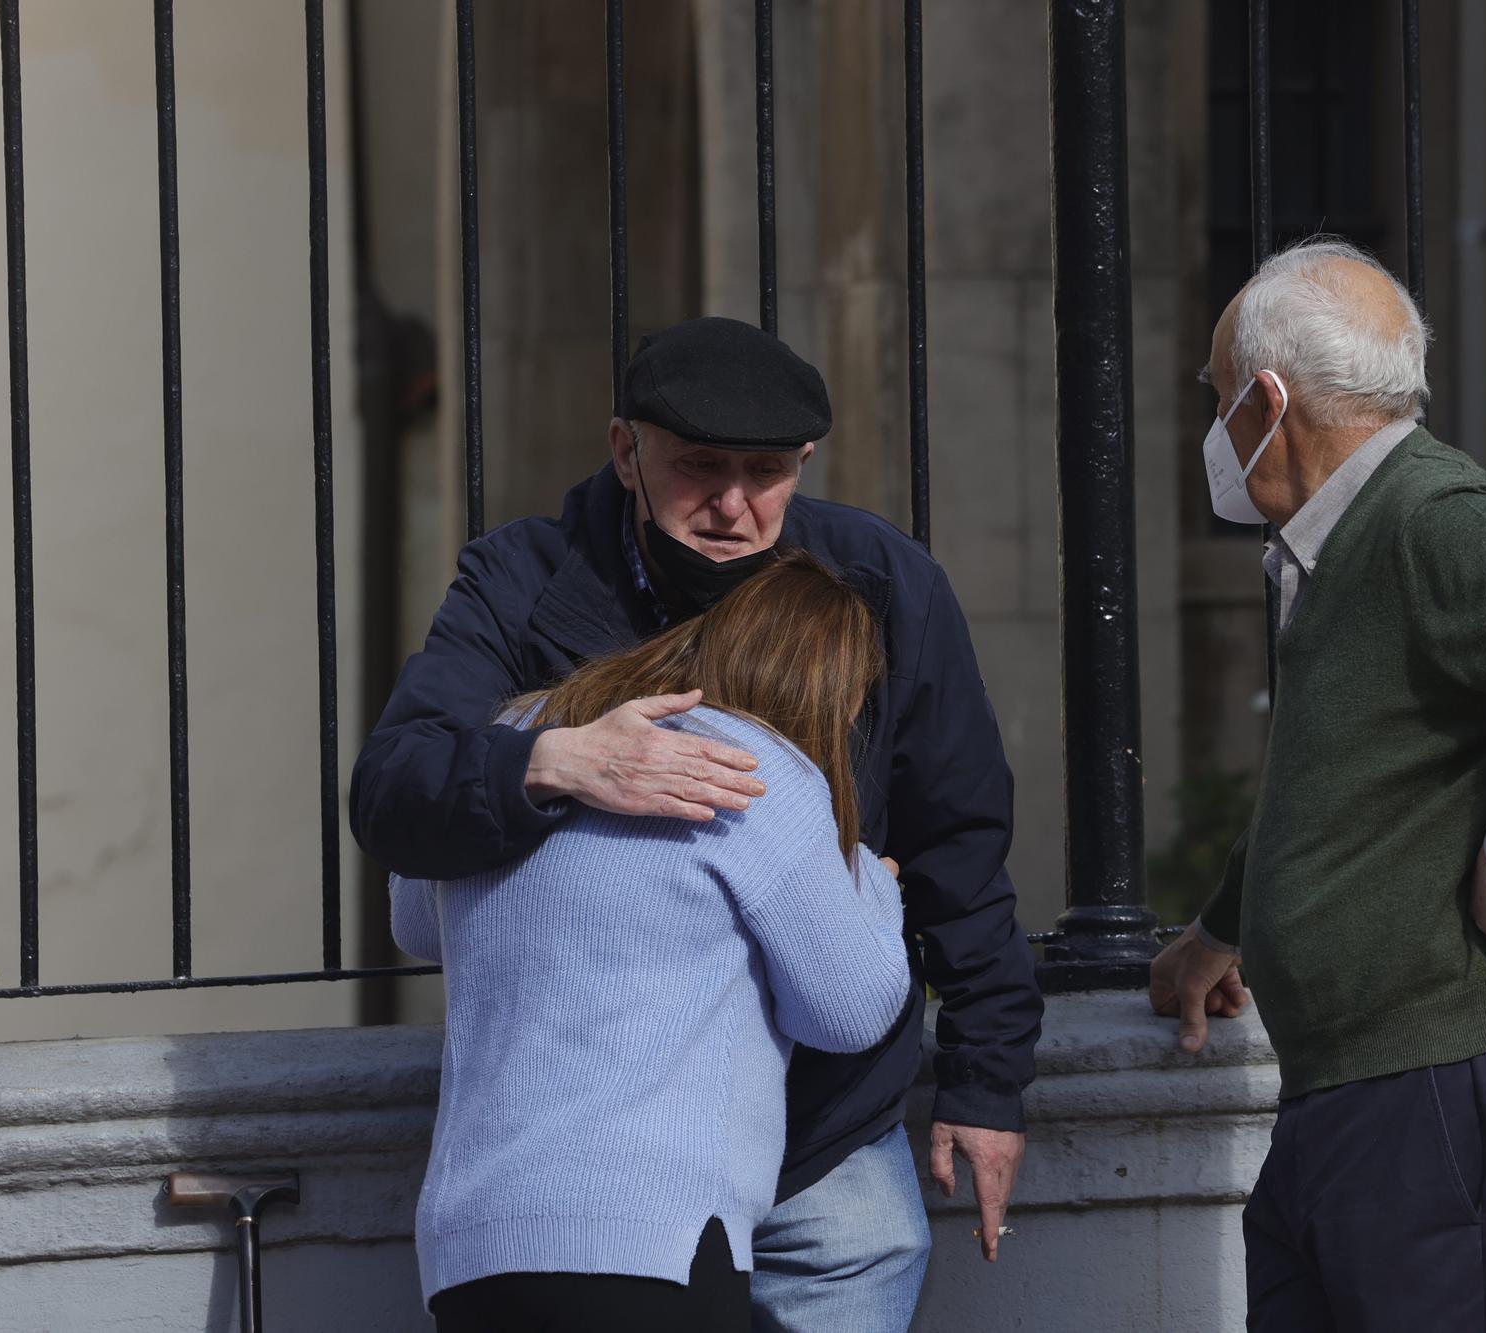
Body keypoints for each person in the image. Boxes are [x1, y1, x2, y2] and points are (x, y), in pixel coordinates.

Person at [351, 316, 1043, 1331]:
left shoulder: (874, 585)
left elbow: (959, 841)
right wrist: (559, 762)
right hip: (591, 1168)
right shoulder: (520, 578)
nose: (730, 505)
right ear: (625, 450)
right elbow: (393, 795)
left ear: (804, 461)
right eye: (697, 467)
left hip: (824, 1137)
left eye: (765, 472)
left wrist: (984, 1083)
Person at [1147, 238, 1486, 1331]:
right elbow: (1351, 778)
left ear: (1265, 398)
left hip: (1441, 1090)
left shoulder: (1425, 517)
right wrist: (1222, 929)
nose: (1210, 432)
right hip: (1365, 1102)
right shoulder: (1344, 538)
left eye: (1214, 401)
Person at [394, 555, 913, 1331]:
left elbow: (411, 916)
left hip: (473, 1247)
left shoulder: (526, 737)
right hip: (654, 1242)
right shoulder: (752, 770)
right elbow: (848, 1009)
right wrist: (872, 884)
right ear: (827, 693)